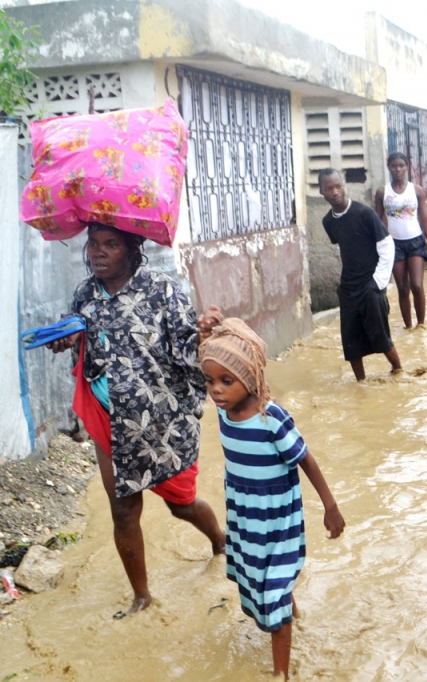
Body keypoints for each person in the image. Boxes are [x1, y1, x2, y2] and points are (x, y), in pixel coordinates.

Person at [48, 223, 225, 615]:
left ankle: (219, 541)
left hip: (160, 420)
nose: (98, 252)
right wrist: (66, 337)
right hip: (109, 419)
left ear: (132, 249)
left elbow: (185, 353)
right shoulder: (85, 294)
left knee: (181, 504)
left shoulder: (161, 290)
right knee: (122, 509)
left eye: (110, 245)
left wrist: (201, 336)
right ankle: (142, 597)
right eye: (93, 244)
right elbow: (78, 332)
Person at [199, 318, 345, 681]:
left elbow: (306, 459)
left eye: (226, 381)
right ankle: (294, 612)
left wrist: (330, 507)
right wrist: (208, 336)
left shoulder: (272, 418)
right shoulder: (224, 410)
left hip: (278, 519)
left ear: (249, 379)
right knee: (258, 580)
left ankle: (281, 673)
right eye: (210, 381)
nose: (216, 390)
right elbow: (212, 361)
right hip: (245, 517)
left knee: (273, 595)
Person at [320, 168, 402, 381]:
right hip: (348, 289)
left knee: (381, 336)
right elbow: (341, 246)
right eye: (329, 189)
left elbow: (386, 246)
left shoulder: (365, 213)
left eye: (338, 186)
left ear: (344, 186)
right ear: (322, 192)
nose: (335, 192)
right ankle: (361, 384)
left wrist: (377, 283)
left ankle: (398, 371)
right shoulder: (328, 222)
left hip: (371, 286)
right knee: (351, 342)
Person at [375, 152, 427, 330]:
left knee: (417, 285)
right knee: (402, 288)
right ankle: (408, 326)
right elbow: (378, 221)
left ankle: (421, 325)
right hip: (394, 244)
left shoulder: (416, 190)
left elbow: (424, 218)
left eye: (402, 165)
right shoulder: (382, 192)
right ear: (389, 167)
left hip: (416, 241)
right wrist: (376, 247)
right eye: (394, 166)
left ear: (407, 167)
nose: (398, 169)